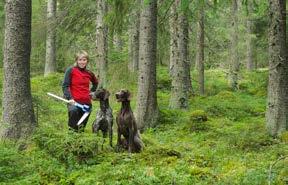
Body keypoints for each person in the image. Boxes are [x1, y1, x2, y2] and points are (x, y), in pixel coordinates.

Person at [62, 51, 98, 131]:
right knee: (73, 125)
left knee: (81, 128)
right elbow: (65, 85)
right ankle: (70, 141)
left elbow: (95, 83)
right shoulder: (71, 70)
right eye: (80, 60)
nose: (82, 62)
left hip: (86, 104)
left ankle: (79, 142)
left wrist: (91, 92)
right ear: (76, 60)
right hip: (73, 102)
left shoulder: (89, 73)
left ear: (87, 61)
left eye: (84, 60)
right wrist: (69, 98)